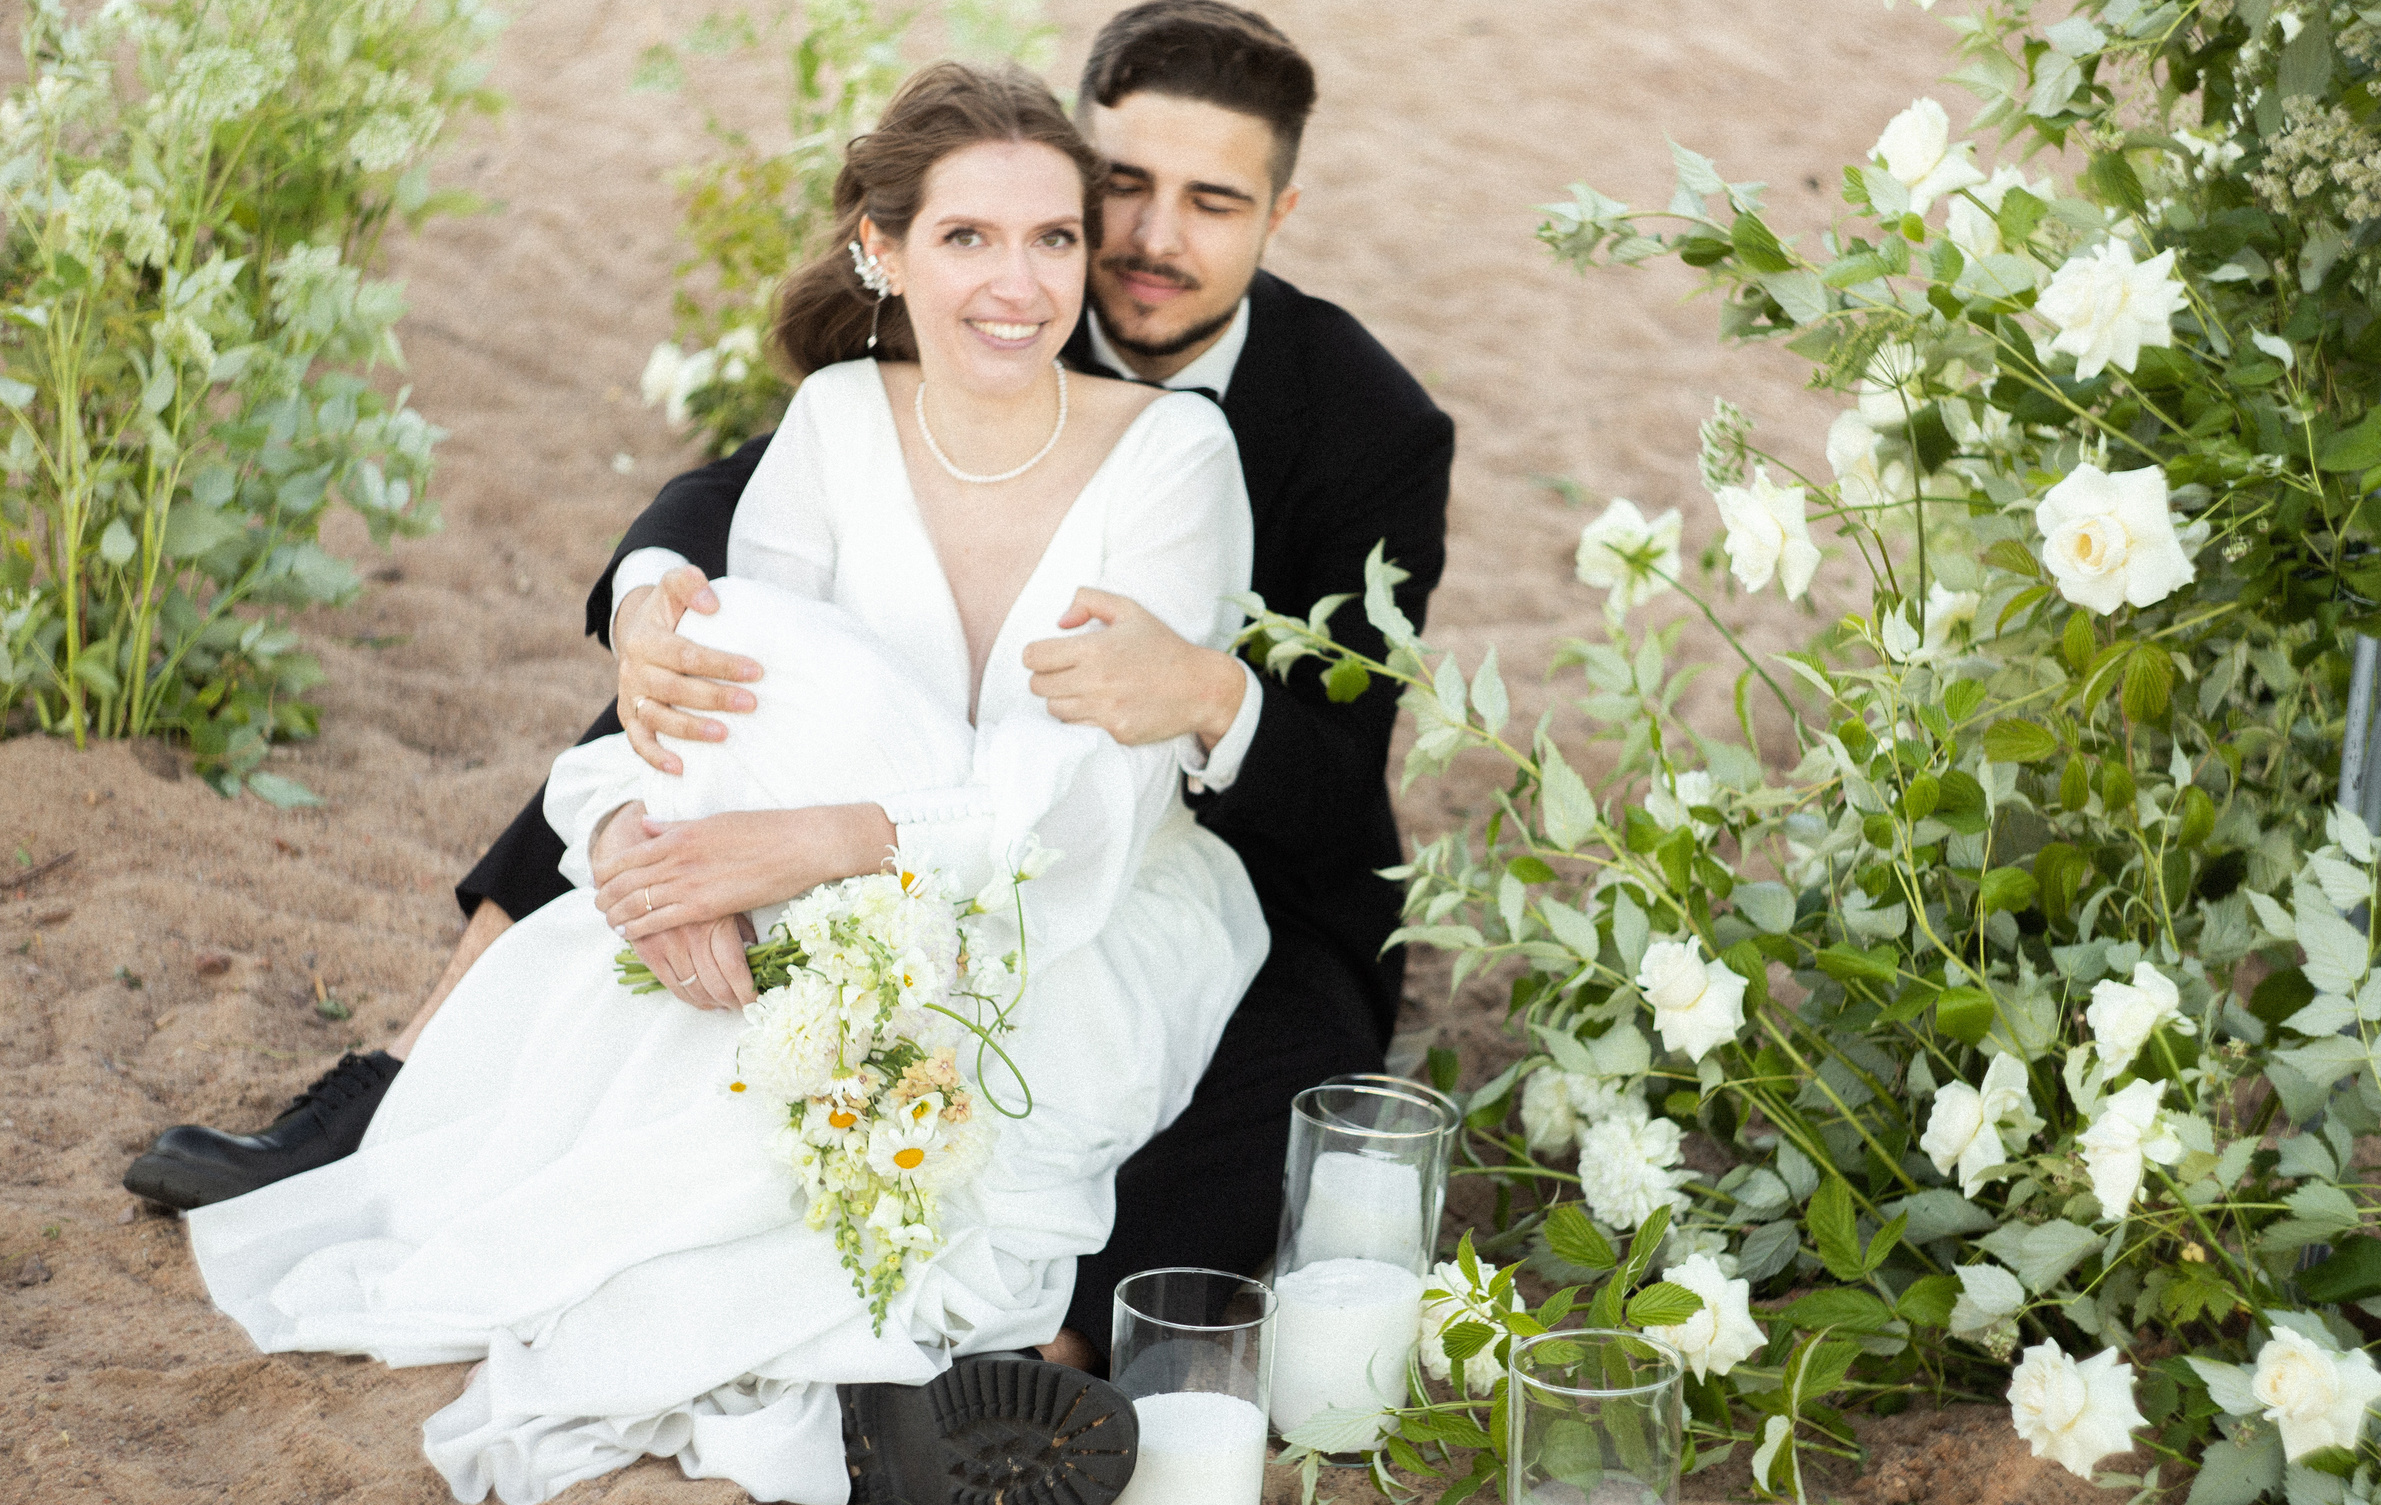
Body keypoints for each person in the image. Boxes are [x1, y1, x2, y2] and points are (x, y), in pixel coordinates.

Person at [133, 0, 1454, 1373]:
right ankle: (406, 1076)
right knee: (681, 681)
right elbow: (750, 480)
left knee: (1277, 1071)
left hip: (1234, 841)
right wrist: (650, 595)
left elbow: (1339, 767)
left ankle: (1043, 1367)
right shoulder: (1004, 287)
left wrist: (1203, 690)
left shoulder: (1369, 428)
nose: (1147, 241)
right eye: (1118, 190)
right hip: (917, 777)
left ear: (1280, 213)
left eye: (1213, 201)